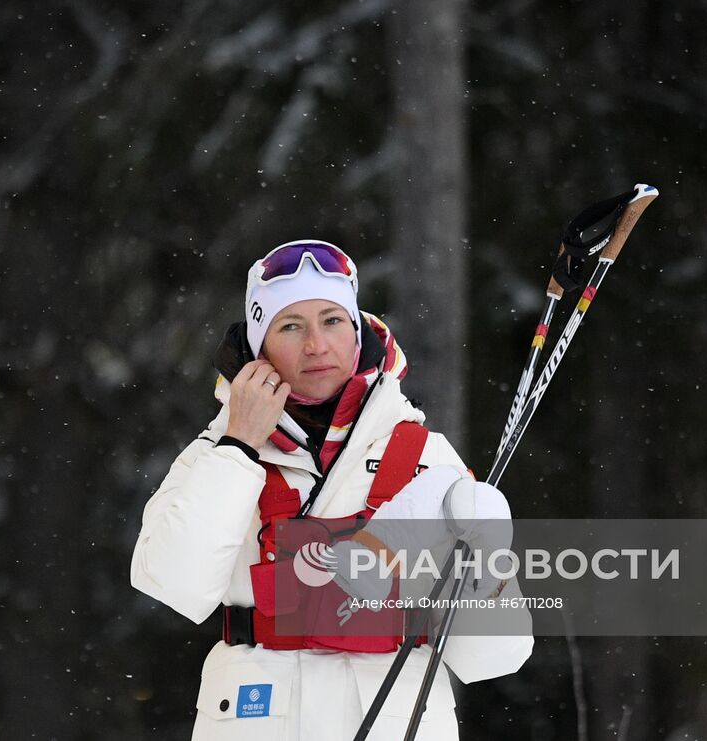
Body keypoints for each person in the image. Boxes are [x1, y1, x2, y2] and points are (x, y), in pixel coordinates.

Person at [132, 240, 533, 740]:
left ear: (358, 328)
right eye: (291, 326)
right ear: (260, 346)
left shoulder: (424, 457)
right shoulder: (216, 450)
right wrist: (239, 446)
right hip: (257, 719)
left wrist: (489, 566)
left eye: (332, 320)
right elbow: (172, 585)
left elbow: (494, 657)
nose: (316, 345)